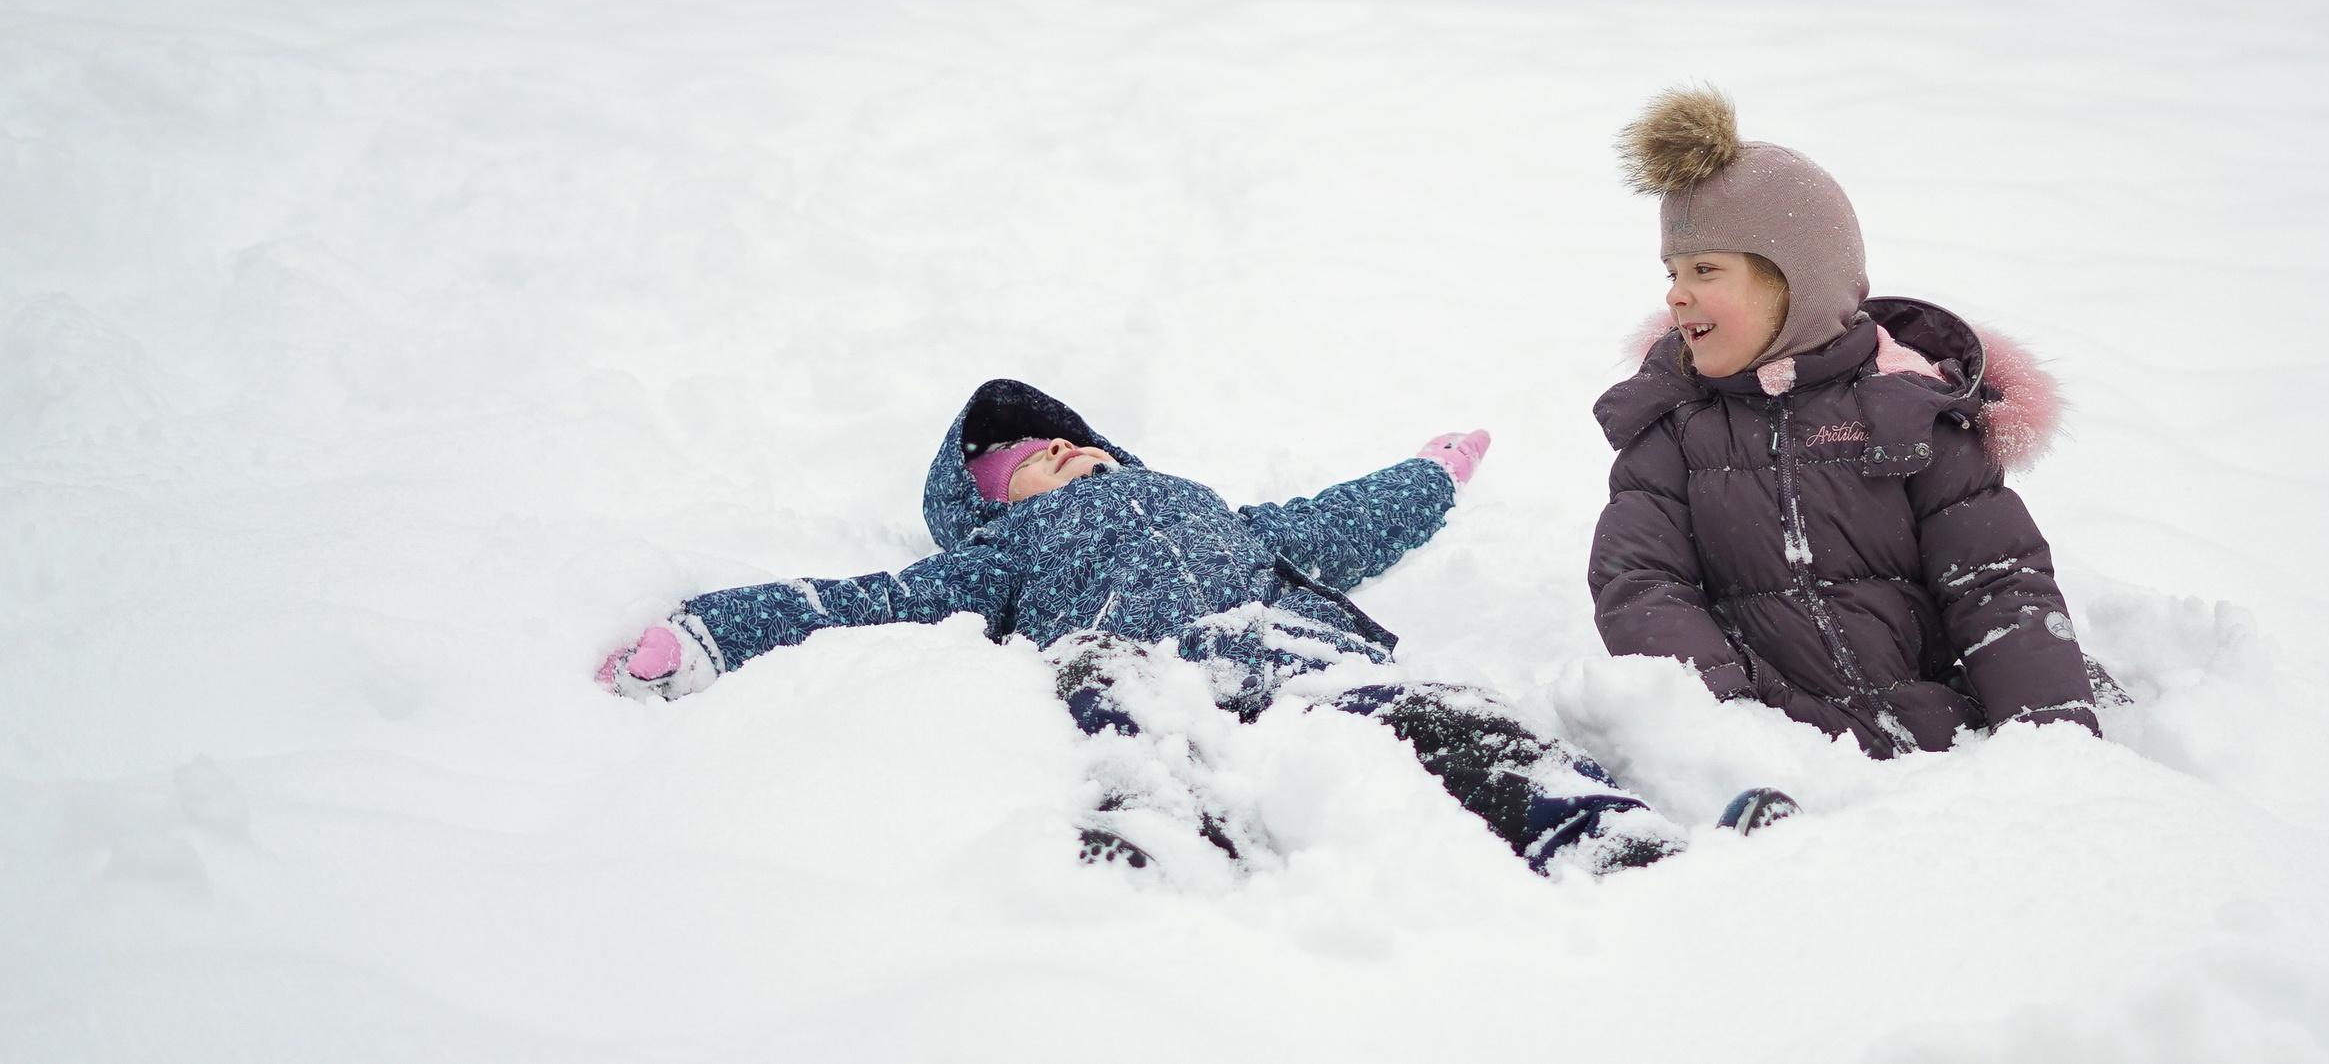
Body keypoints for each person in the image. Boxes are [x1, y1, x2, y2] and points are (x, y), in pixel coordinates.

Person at [600, 378, 1790, 876]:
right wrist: (707, 630)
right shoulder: (997, 555)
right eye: (1021, 459)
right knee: (1120, 709)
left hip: (1288, 643)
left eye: (1067, 436)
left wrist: (1427, 471)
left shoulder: (1217, 509)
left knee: (1438, 710)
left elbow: (1339, 518)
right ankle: (1154, 851)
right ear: (983, 508)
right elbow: (852, 602)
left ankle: (1601, 830)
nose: (1058, 449)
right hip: (1129, 656)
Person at [1588, 86, 2100, 757]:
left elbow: (1997, 583)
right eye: (1672, 270)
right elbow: (1643, 588)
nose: (1676, 293)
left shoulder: (1908, 411)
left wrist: (2053, 744)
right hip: (1792, 747)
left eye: (1706, 269)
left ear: (1799, 284)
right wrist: (1728, 726)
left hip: (1951, 738)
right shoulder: (1672, 431)